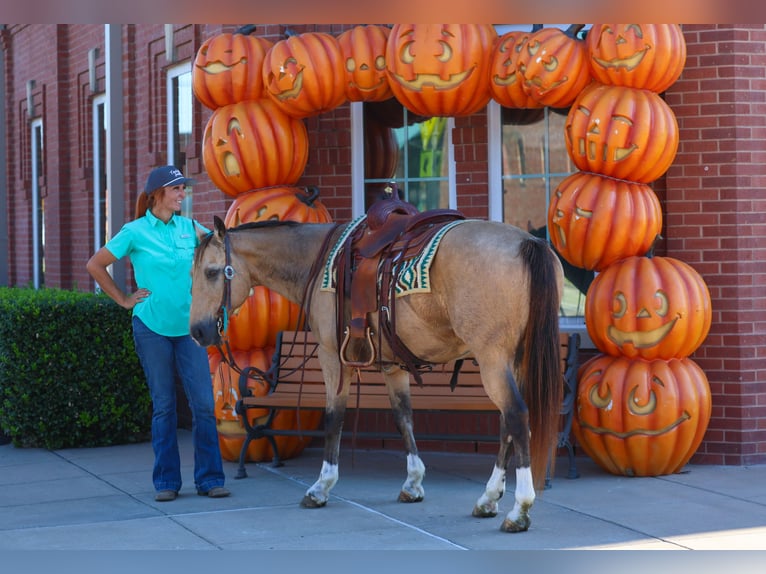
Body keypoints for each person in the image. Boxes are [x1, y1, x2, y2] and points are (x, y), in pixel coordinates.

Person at [87, 165, 230, 502]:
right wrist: (123, 299)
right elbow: (95, 264)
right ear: (158, 195)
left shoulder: (190, 228)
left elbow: (221, 252)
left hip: (190, 330)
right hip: (151, 328)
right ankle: (166, 482)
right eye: (176, 189)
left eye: (184, 189)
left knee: (204, 406)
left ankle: (210, 479)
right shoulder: (134, 232)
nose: (183, 194)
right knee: (164, 406)